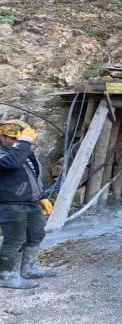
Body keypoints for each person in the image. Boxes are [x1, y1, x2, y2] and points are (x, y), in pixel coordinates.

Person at [0, 119, 57, 289]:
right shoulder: (8, 153)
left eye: (20, 138)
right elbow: (12, 163)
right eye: (14, 139)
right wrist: (23, 142)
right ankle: (7, 277)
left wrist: (42, 196)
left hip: (30, 203)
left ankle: (28, 269)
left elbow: (34, 174)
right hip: (11, 204)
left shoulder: (23, 151)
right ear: (2, 137)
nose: (17, 142)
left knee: (36, 235)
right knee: (15, 240)